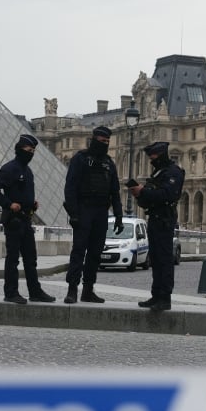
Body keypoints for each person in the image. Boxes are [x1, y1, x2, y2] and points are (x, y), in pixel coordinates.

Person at [0, 134, 56, 304]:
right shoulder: (10, 168)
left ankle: (35, 291)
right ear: (19, 149)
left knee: (31, 259)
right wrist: (9, 204)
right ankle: (11, 292)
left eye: (33, 151)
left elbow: (23, 193)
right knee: (13, 258)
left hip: (26, 219)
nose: (31, 153)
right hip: (14, 220)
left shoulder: (28, 171)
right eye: (28, 150)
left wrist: (32, 205)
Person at [63, 126, 123, 304]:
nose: (104, 144)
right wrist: (73, 214)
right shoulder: (80, 159)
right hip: (84, 210)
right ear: (94, 139)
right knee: (79, 251)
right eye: (102, 141)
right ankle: (72, 289)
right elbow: (70, 188)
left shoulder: (109, 163)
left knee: (95, 253)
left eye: (107, 142)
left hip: (101, 212)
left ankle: (88, 289)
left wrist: (119, 216)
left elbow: (115, 192)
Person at [130, 141, 185, 311]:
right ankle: (156, 295)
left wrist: (144, 191)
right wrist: (139, 195)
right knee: (155, 258)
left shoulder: (173, 172)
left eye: (153, 156)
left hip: (165, 219)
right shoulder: (159, 173)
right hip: (154, 218)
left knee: (164, 259)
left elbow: (168, 194)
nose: (151, 159)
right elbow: (150, 198)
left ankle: (165, 297)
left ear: (161, 154)